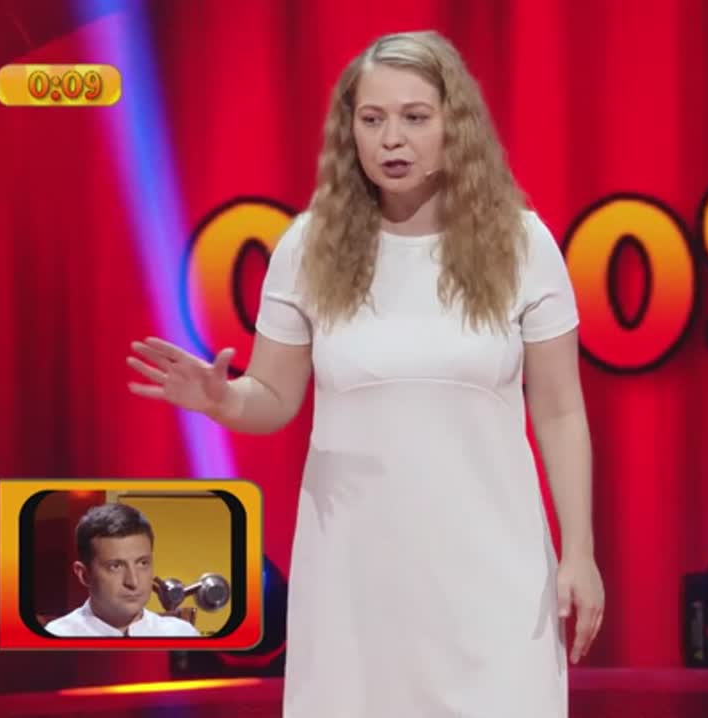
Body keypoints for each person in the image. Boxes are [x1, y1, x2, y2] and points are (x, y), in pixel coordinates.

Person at [126, 30, 603, 716]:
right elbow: (273, 397)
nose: (392, 139)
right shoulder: (309, 246)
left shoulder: (522, 244)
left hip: (494, 572)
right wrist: (221, 400)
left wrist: (579, 551)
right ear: (349, 132)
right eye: (372, 119)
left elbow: (560, 410)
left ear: (455, 125)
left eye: (415, 117)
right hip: (354, 577)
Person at [44, 502, 200, 638]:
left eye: (142, 563)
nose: (133, 582)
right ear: (84, 575)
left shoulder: (182, 634)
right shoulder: (58, 635)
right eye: (116, 566)